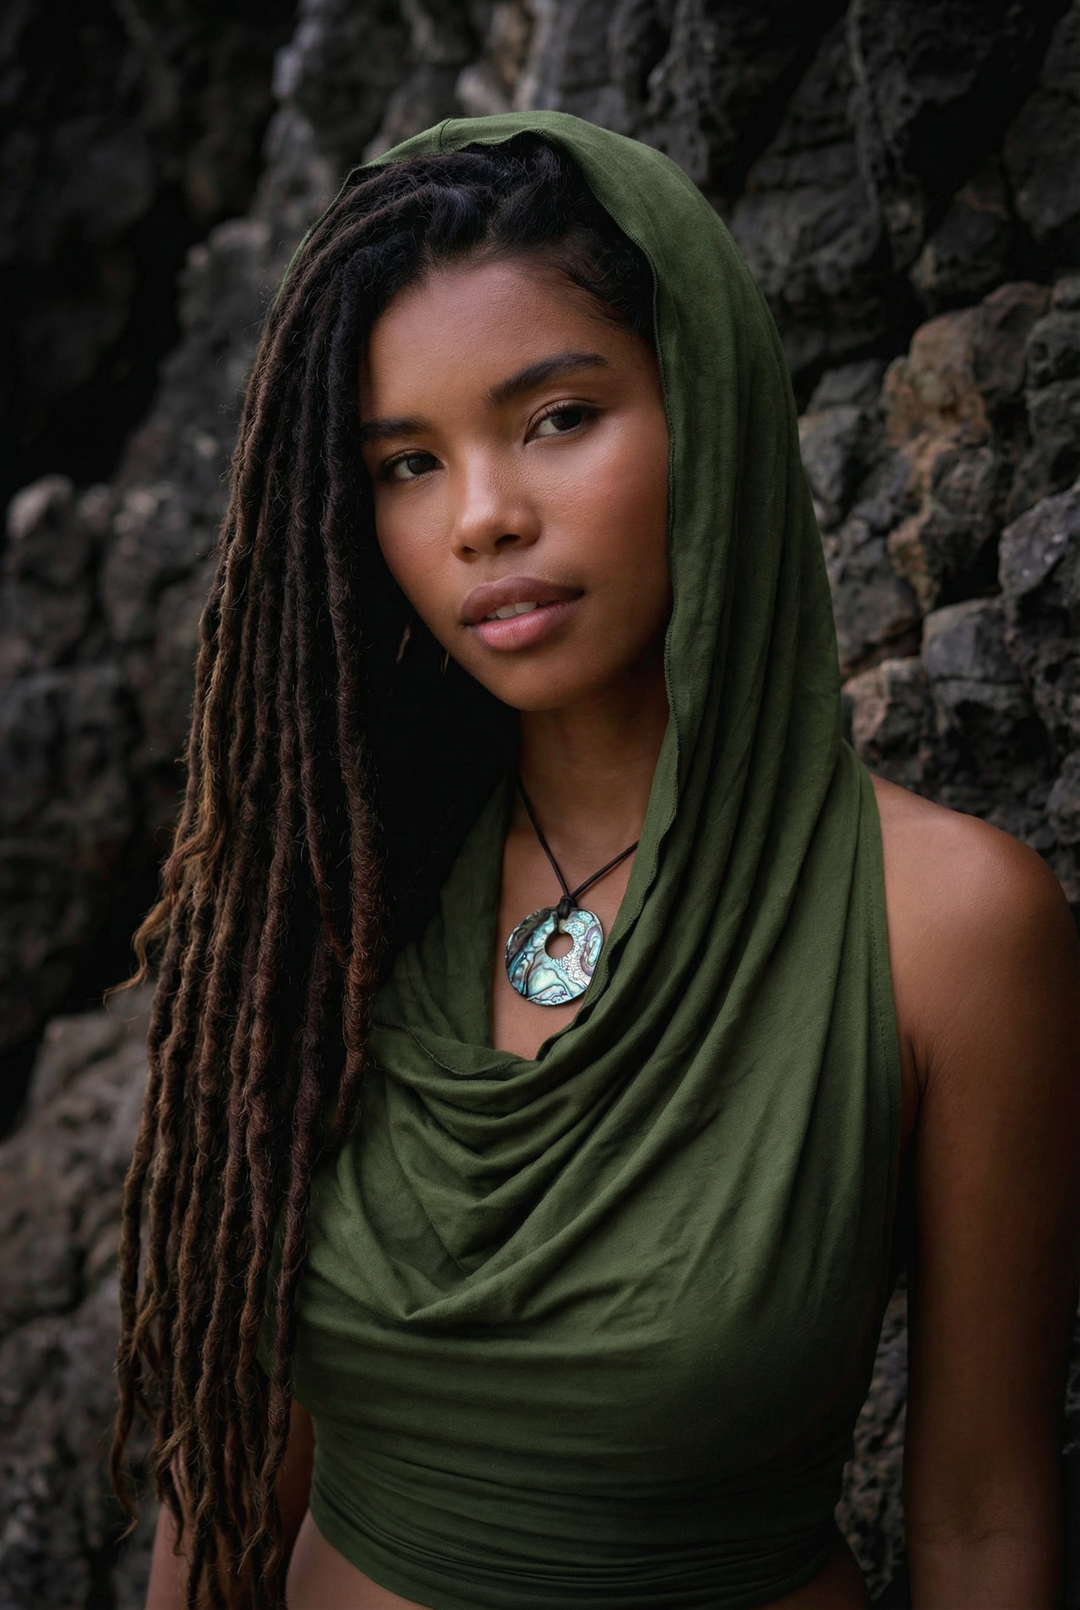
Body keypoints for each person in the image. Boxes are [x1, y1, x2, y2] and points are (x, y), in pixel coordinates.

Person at [115, 113, 1079, 1610]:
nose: (483, 516)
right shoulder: (336, 896)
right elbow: (231, 1472)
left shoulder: (949, 929)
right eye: (408, 463)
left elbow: (977, 1515)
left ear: (706, 403)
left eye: (556, 417)